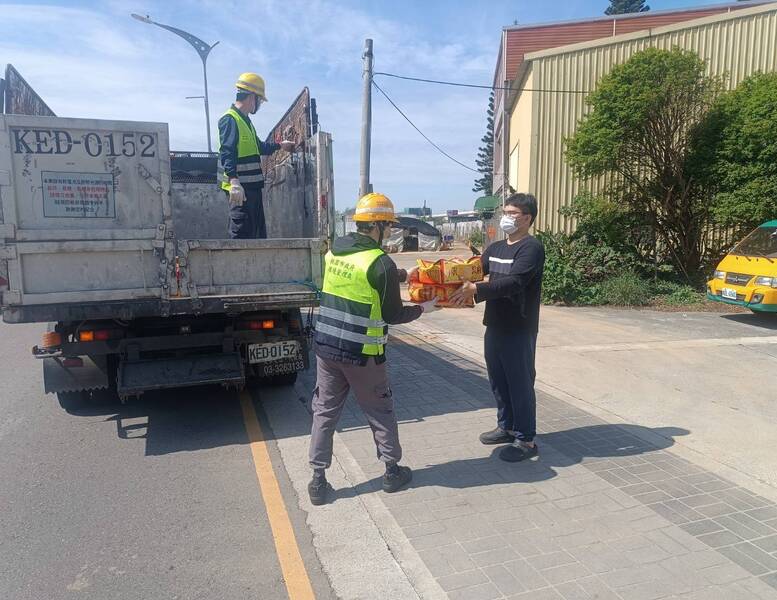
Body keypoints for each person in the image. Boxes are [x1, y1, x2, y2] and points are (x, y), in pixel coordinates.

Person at [307, 192, 439, 505]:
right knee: (380, 410)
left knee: (324, 411)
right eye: (388, 226)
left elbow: (361, 276)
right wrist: (424, 309)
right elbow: (393, 313)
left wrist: (405, 275)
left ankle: (317, 479)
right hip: (362, 356)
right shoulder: (381, 262)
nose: (391, 231)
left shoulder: (334, 252)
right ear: (377, 226)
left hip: (326, 348)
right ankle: (392, 471)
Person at [450, 193, 545, 462]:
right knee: (499, 380)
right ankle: (506, 426)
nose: (506, 217)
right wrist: (448, 280)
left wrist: (475, 290)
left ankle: (526, 440)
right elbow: (474, 271)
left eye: (512, 213)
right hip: (495, 324)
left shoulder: (531, 248)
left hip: (520, 326)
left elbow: (515, 282)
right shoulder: (495, 248)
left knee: (520, 383)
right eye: (505, 211)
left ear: (527, 218)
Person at [217, 72, 295, 239]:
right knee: (241, 234)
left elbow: (258, 147)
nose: (259, 104)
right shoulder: (230, 119)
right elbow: (227, 151)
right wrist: (234, 182)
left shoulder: (245, 121)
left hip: (252, 189)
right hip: (241, 191)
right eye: (259, 100)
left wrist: (280, 145)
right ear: (252, 97)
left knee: (256, 234)